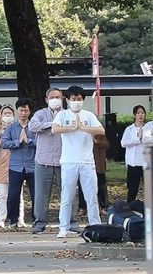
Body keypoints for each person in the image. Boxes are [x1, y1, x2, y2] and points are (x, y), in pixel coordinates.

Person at [53, 86, 105, 238]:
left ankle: (95, 225)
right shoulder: (62, 115)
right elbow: (54, 129)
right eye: (73, 99)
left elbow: (101, 130)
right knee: (67, 196)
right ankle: (63, 227)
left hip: (87, 162)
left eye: (79, 99)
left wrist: (84, 127)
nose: (76, 102)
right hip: (69, 162)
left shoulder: (88, 115)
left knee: (91, 197)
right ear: (68, 100)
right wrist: (72, 127)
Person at [28, 88, 77, 234]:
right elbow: (33, 126)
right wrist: (52, 124)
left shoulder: (69, 114)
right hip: (43, 160)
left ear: (62, 98)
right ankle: (40, 222)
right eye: (52, 97)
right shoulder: (40, 114)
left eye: (58, 97)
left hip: (65, 160)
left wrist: (54, 126)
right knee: (41, 194)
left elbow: (72, 127)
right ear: (46, 99)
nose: (55, 99)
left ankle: (71, 222)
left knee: (68, 193)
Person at [1, 98, 36, 229]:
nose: (23, 113)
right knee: (13, 195)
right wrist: (17, 142)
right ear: (17, 111)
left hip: (32, 166)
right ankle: (13, 220)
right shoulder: (11, 128)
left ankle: (36, 219)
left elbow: (41, 142)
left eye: (25, 110)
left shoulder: (34, 126)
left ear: (29, 111)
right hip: (15, 166)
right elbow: (4, 143)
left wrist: (29, 141)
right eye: (21, 110)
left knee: (35, 194)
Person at [121, 105, 153, 202]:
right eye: (138, 113)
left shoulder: (149, 127)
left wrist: (145, 138)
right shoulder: (129, 129)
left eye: (142, 113)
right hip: (133, 163)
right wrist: (137, 139)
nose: (140, 115)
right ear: (134, 115)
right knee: (132, 188)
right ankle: (130, 208)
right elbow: (123, 143)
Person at [77, 133, 110, 215]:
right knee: (82, 187)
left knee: (101, 186)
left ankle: (103, 207)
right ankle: (83, 208)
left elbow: (107, 145)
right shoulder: (81, 133)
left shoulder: (98, 132)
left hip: (98, 164)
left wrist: (97, 141)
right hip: (84, 163)